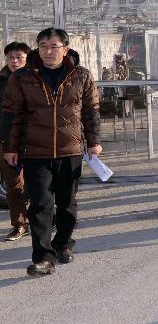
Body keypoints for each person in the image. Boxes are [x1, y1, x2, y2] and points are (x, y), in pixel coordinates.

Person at [1, 28, 101, 277]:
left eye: (54, 46)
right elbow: (12, 115)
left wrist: (94, 141)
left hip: (70, 150)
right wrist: (10, 147)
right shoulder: (22, 78)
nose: (48, 50)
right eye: (43, 45)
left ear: (65, 49)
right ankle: (43, 257)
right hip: (36, 152)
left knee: (67, 204)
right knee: (41, 205)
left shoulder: (81, 76)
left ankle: (63, 243)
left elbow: (91, 111)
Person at [0, 42, 30, 241]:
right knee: (13, 183)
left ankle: (45, 218)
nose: (15, 61)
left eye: (19, 57)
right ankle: (19, 224)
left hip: (32, 139)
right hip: (5, 140)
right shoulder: (1, 81)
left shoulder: (35, 79)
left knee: (39, 182)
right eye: (11, 57)